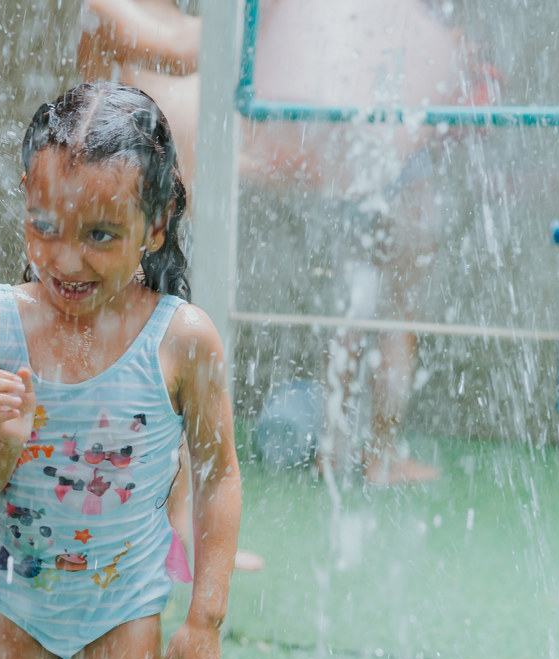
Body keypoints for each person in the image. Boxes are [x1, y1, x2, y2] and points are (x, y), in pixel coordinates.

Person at [0, 82, 242, 659]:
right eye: (44, 225)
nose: (66, 261)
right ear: (25, 197)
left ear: (158, 221)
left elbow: (220, 476)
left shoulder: (181, 340)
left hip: (125, 611)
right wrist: (1, 449)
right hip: (12, 606)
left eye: (100, 235)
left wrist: (204, 620)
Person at [80, 0, 500, 485]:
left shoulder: (168, 21)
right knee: (139, 351)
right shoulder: (119, 12)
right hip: (123, 215)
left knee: (175, 358)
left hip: (157, 210)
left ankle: (188, 515)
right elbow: (194, 54)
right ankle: (146, 501)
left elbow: (200, 91)